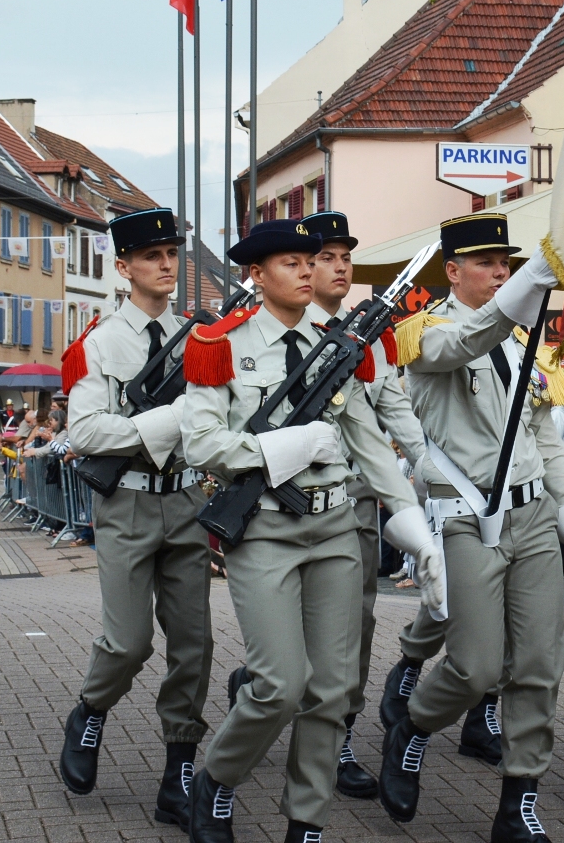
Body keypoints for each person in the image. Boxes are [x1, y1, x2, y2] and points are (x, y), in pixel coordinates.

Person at [184, 219, 429, 843]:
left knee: (331, 688)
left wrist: (414, 528)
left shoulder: (339, 343)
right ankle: (218, 777)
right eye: (289, 262)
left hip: (336, 527)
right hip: (264, 528)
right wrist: (278, 448)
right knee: (277, 685)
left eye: (306, 260)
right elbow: (202, 443)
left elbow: (370, 444)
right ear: (257, 275)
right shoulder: (220, 342)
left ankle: (307, 819)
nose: (304, 270)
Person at [377, 213, 564, 843]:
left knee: (538, 663)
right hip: (467, 517)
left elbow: (543, 435)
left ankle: (519, 797)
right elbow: (462, 344)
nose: (500, 272)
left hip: (531, 516)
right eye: (487, 264)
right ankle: (413, 728)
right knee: (474, 667)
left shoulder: (524, 341)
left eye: (508, 264)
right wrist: (518, 294)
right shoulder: (424, 332)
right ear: (452, 271)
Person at [53, 208, 212, 829]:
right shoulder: (99, 341)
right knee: (128, 642)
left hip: (188, 501)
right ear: (123, 268)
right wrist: (167, 422)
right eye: (151, 256)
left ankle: (178, 769)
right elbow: (85, 430)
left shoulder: (202, 339)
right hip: (127, 504)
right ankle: (90, 711)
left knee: (193, 646)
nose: (166, 265)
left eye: (171, 253)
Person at [305, 209, 428, 799]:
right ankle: (260, 684)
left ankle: (340, 736)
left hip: (353, 507)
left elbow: (397, 417)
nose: (338, 267)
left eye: (344, 258)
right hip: (289, 506)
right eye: (326, 257)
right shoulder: (276, 330)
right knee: (294, 630)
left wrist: (429, 473)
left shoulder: (368, 337)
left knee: (355, 627)